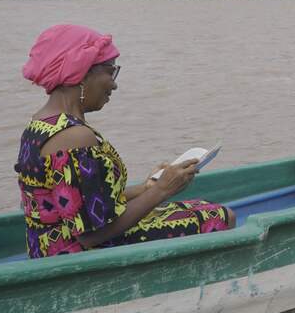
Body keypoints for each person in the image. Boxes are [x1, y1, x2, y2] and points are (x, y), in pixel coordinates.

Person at [15, 24, 235, 258]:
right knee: (220, 215)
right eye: (110, 72)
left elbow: (89, 202)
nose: (114, 84)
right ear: (81, 72)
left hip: (48, 246)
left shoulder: (41, 123)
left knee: (202, 205)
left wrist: (145, 188)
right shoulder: (73, 137)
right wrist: (161, 190)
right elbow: (91, 234)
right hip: (74, 252)